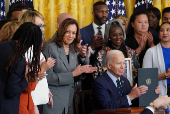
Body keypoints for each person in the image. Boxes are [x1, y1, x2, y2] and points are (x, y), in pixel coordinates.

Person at [42, 18, 97, 114]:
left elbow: (75, 75)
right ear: (61, 31)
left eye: (74, 33)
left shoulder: (73, 49)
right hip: (53, 102)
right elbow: (48, 77)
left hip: (69, 101)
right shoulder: (50, 47)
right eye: (68, 32)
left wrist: (82, 70)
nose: (71, 36)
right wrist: (72, 74)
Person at [0, 22, 42, 114]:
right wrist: (26, 79)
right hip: (6, 108)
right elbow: (11, 91)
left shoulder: (2, 46)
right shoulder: (18, 59)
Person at [95, 19, 139, 85]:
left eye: (120, 34)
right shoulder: (102, 54)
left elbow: (137, 74)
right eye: (114, 35)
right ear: (109, 36)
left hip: (129, 89)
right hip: (109, 90)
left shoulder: (132, 53)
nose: (118, 37)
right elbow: (97, 76)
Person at [143, 22, 170, 96]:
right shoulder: (151, 52)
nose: (165, 33)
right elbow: (145, 76)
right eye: (162, 30)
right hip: (157, 91)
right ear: (159, 34)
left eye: (168, 30)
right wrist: (165, 75)